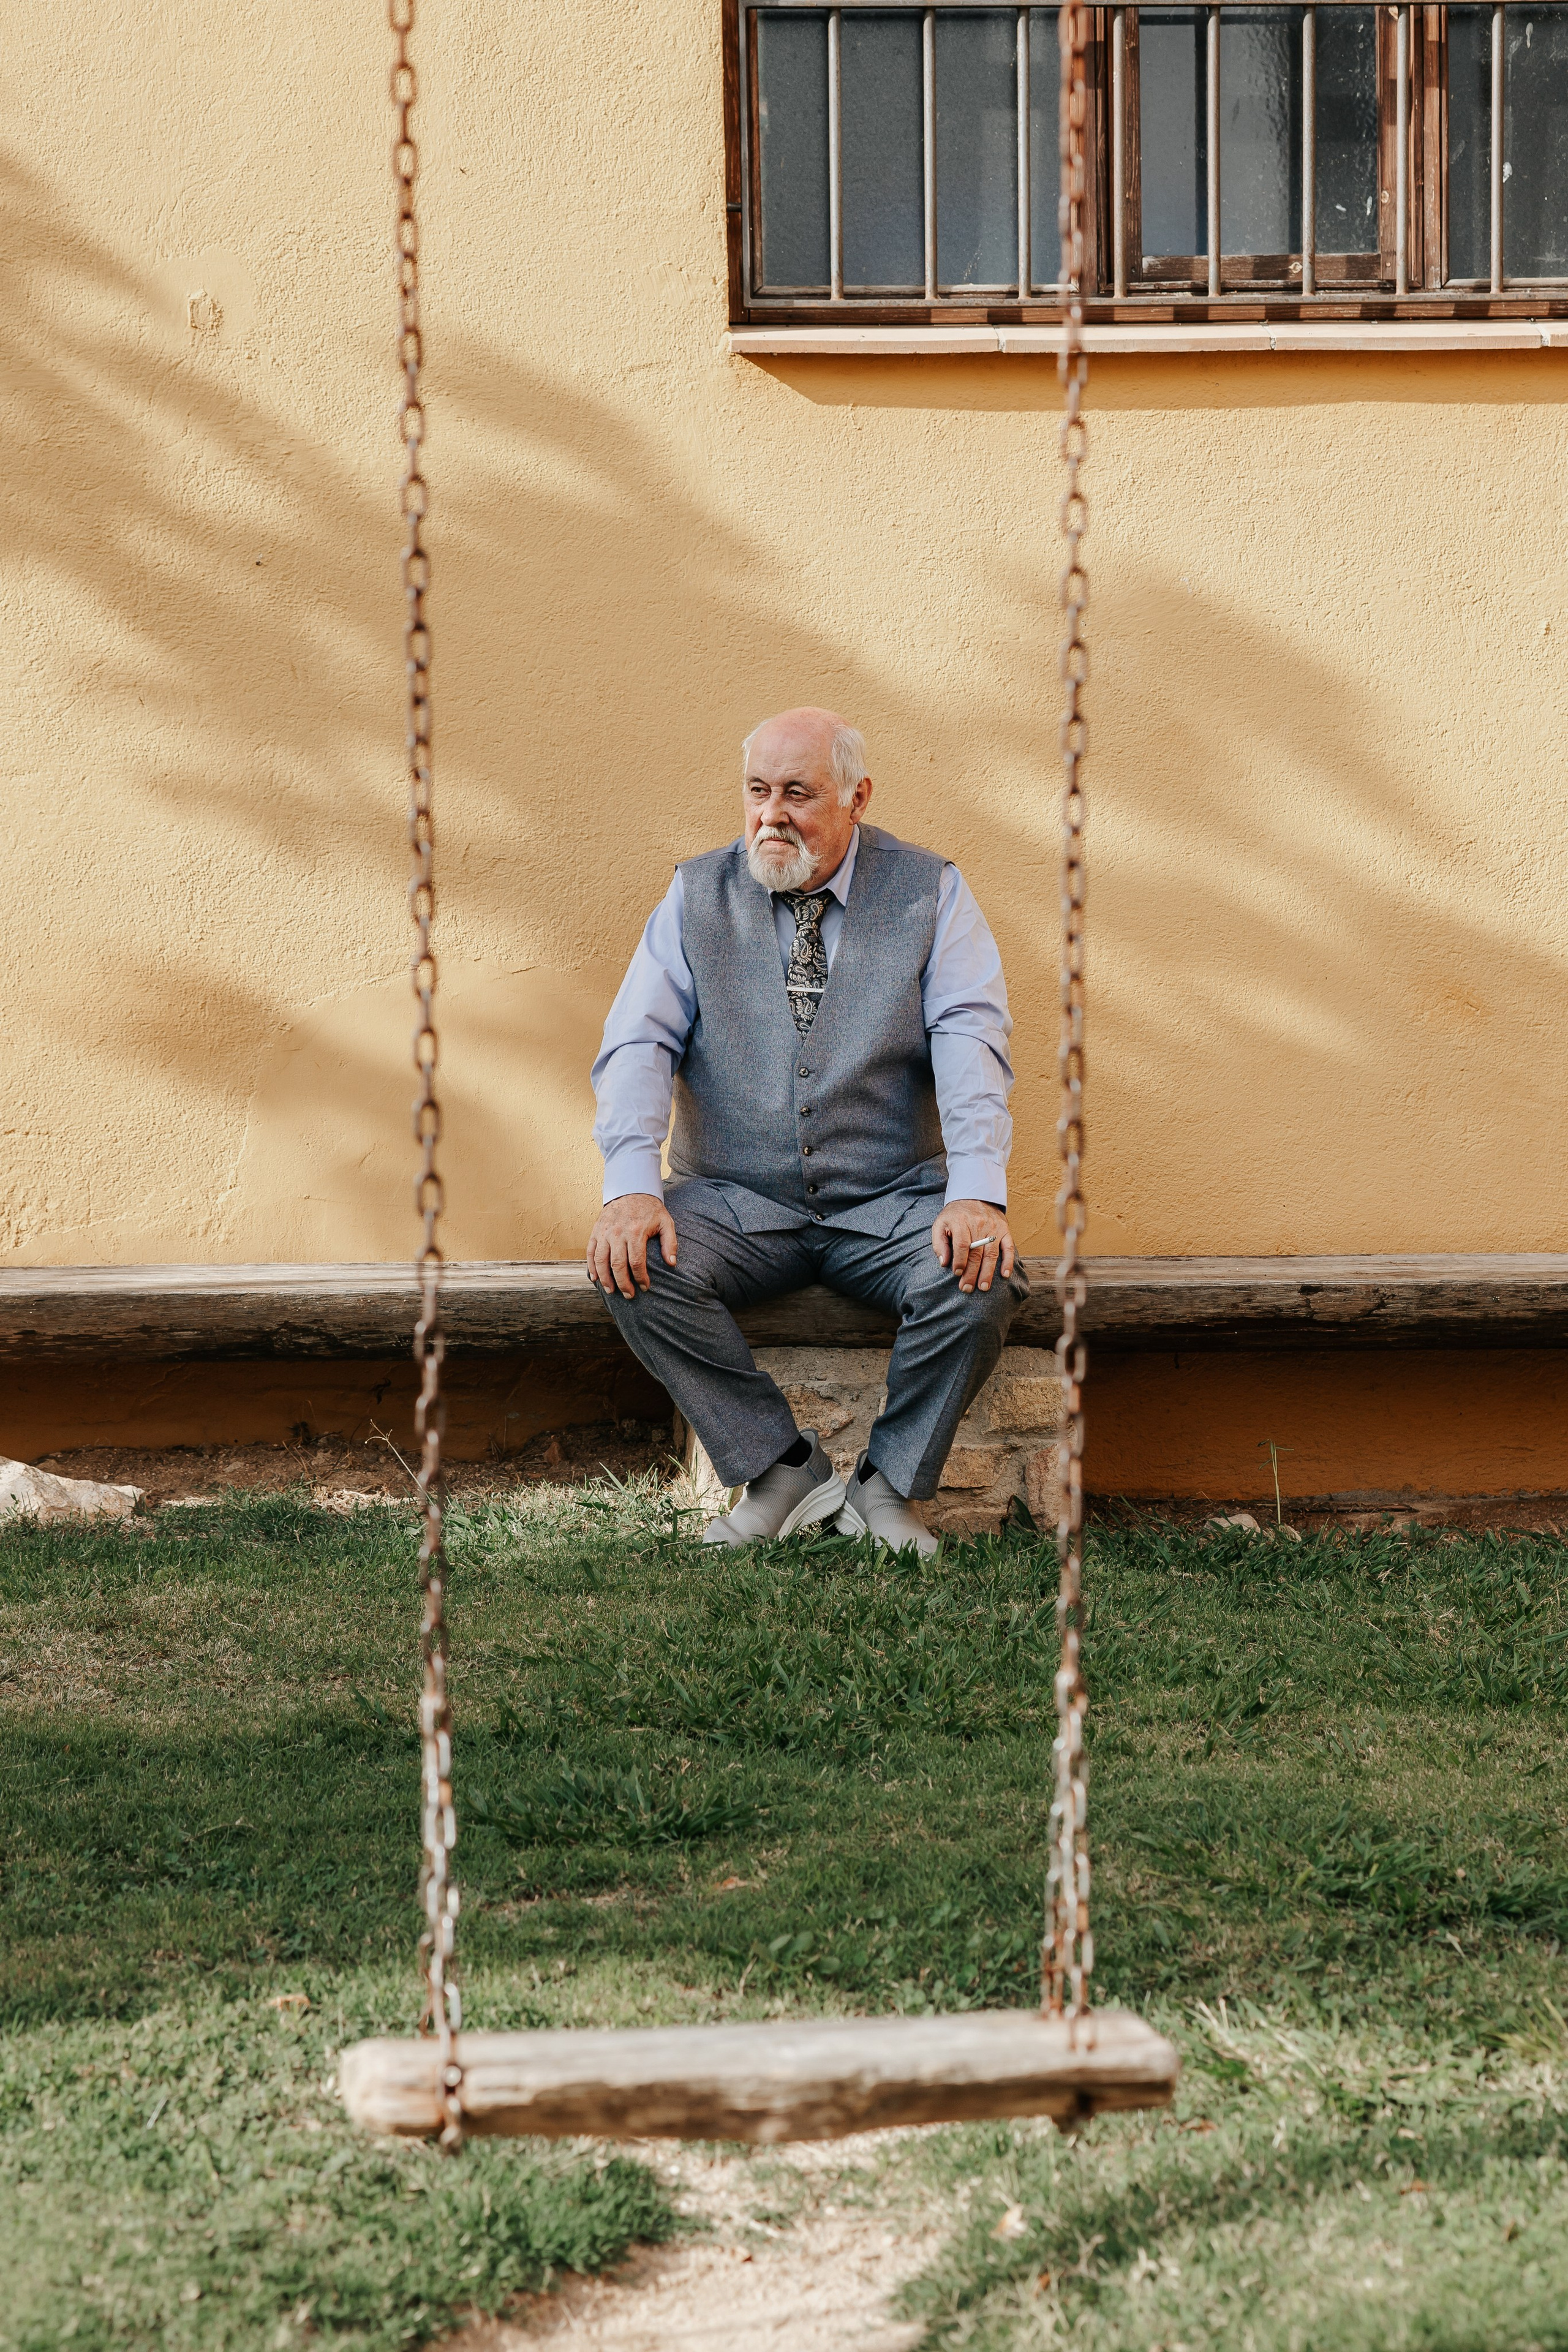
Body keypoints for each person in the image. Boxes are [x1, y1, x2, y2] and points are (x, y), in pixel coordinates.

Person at [586, 706, 1025, 1557]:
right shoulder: (695, 895)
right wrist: (631, 1186)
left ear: (858, 798)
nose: (771, 815)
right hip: (732, 1200)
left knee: (982, 1279)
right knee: (631, 1266)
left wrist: (976, 1192)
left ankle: (886, 1487)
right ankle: (782, 1469)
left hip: (890, 1200)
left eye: (798, 793)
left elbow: (972, 1040)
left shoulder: (932, 891)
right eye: (757, 791)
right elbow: (639, 1043)